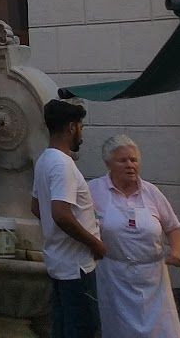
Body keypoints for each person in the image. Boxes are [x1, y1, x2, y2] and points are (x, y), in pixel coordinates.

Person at [87, 135, 180, 338]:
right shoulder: (95, 191)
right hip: (115, 277)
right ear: (108, 164)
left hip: (153, 279)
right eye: (122, 160)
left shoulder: (152, 193)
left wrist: (176, 252)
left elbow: (173, 227)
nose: (130, 165)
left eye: (134, 160)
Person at [33, 98, 107, 338]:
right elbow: (61, 214)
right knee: (81, 328)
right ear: (71, 127)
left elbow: (36, 207)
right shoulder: (62, 164)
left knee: (64, 328)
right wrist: (94, 243)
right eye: (81, 127)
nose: (81, 133)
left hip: (60, 262)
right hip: (76, 267)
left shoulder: (45, 160)